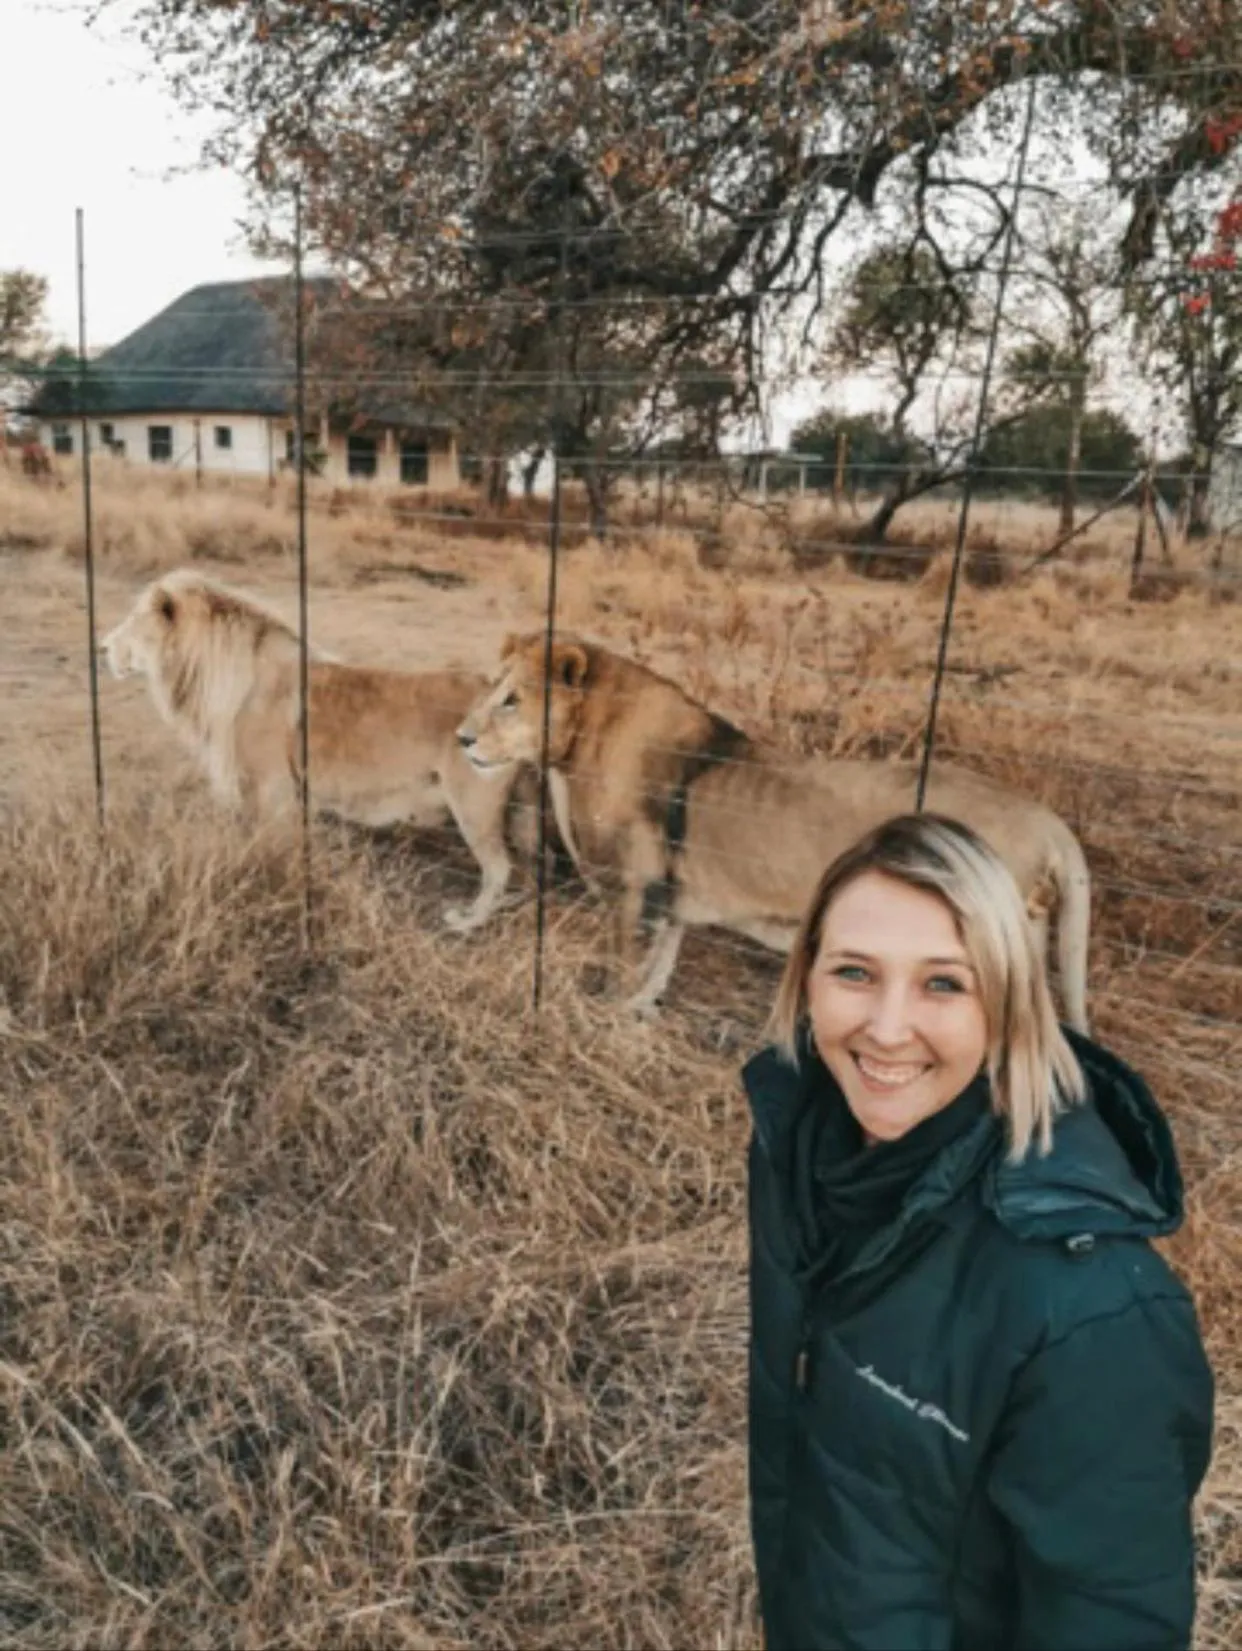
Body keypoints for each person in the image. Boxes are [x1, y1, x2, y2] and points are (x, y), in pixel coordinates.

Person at [744, 812, 1214, 1651]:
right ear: (805, 975)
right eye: (855, 971)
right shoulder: (800, 1154)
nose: (887, 1029)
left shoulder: (1090, 1312)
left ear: (1007, 1004)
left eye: (943, 984)